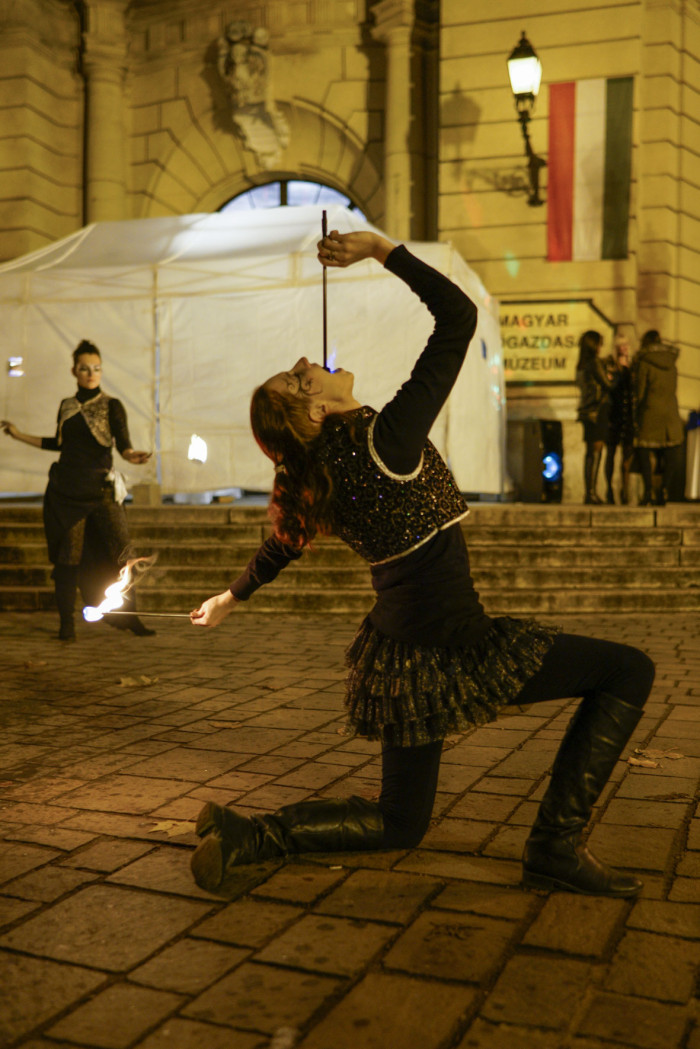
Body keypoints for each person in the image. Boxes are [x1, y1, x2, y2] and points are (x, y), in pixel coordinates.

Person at [188, 231, 655, 899]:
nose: (303, 361)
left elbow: (283, 544)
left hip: (405, 653)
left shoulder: (322, 474)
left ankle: (251, 834)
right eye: (298, 378)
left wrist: (231, 596)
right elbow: (458, 320)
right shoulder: (385, 440)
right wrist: (381, 250)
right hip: (453, 642)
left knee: (401, 822)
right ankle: (554, 845)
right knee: (629, 670)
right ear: (317, 410)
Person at [2, 339, 154, 641]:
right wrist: (19, 435)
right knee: (68, 557)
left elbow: (123, 444)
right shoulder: (67, 405)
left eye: (96, 368)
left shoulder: (112, 405)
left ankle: (130, 618)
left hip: (101, 490)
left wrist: (131, 455)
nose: (91, 374)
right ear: (74, 371)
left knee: (124, 554)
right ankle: (66, 625)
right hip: (68, 492)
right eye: (84, 369)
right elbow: (59, 444)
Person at [634, 329, 685, 506]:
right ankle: (664, 488)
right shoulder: (672, 362)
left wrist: (636, 411)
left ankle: (648, 491)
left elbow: (640, 391)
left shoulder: (644, 363)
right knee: (671, 450)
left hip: (650, 410)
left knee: (644, 450)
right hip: (670, 411)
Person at [576, 329, 617, 504]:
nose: (601, 347)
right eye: (599, 343)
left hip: (587, 411)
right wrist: (617, 374)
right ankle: (591, 493)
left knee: (591, 453)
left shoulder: (582, 364)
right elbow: (608, 385)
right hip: (597, 411)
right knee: (596, 451)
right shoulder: (594, 362)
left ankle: (590, 492)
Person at [604, 334, 635, 504]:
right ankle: (609, 489)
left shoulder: (633, 366)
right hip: (613, 415)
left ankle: (625, 489)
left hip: (628, 417)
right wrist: (617, 372)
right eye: (620, 345)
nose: (623, 348)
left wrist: (628, 370)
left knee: (627, 456)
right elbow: (609, 389)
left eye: (626, 345)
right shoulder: (610, 365)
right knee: (610, 454)